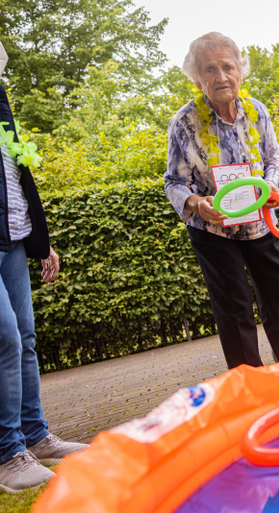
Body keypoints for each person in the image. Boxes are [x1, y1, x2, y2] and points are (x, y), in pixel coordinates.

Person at [164, 32, 279, 369]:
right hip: (213, 230)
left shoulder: (256, 111)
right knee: (235, 308)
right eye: (210, 69)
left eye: (227, 66)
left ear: (240, 71)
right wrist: (198, 204)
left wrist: (270, 186)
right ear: (198, 79)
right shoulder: (184, 123)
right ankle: (251, 391)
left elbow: (274, 160)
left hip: (260, 223)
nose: (221, 76)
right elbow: (174, 182)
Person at [0, 51, 87, 493]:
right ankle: (7, 454)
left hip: (13, 237)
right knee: (6, 339)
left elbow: (17, 177)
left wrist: (40, 240)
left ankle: (35, 436)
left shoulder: (2, 104)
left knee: (27, 338)